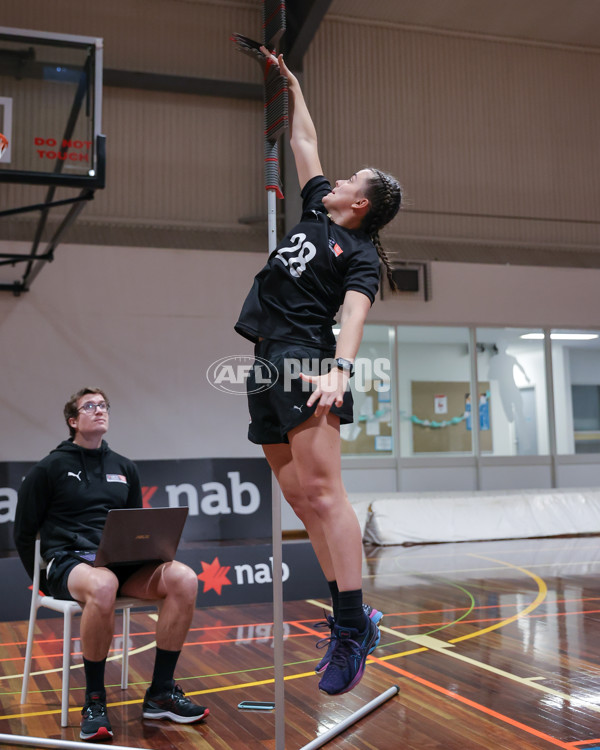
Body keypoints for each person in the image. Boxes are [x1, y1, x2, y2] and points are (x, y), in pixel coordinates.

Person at [234, 50, 402, 696]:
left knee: (326, 494)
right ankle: (352, 611)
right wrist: (294, 83)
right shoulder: (312, 210)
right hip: (266, 360)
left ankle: (354, 625)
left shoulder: (357, 255)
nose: (335, 177)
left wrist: (339, 369)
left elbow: (355, 315)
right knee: (300, 498)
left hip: (306, 358)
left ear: (361, 203)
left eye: (350, 178)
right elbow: (303, 139)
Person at [13, 388, 208, 742]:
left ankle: (161, 692)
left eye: (103, 405)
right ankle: (94, 700)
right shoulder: (49, 468)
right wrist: (41, 580)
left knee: (184, 578)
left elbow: (133, 525)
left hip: (119, 563)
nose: (99, 410)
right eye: (90, 406)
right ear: (73, 421)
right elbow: (23, 531)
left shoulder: (124, 466)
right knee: (102, 584)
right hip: (69, 563)